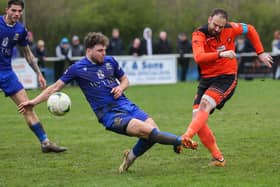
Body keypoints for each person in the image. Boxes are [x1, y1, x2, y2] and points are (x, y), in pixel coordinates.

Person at [18, 32, 192, 173]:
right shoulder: (77, 68)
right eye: (100, 50)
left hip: (126, 105)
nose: (104, 53)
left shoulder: (110, 62)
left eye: (104, 50)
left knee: (154, 133)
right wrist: (33, 101)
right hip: (109, 114)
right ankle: (180, 140)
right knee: (149, 131)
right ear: (89, 51)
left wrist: (121, 88)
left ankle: (129, 157)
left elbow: (125, 80)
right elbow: (54, 87)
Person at [180, 8, 273, 167]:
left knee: (204, 104)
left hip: (226, 77)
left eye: (220, 27)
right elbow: (198, 58)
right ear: (209, 19)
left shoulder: (231, 27)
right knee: (198, 117)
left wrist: (260, 52)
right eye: (215, 25)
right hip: (206, 79)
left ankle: (186, 136)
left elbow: (250, 29)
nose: (217, 29)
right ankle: (219, 158)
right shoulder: (199, 34)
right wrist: (221, 54)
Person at [0, 0, 66, 153]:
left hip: (7, 72)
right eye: (14, 10)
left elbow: (28, 54)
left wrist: (38, 73)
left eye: (19, 11)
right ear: (7, 10)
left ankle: (45, 143)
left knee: (27, 106)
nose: (16, 14)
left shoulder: (20, 30)